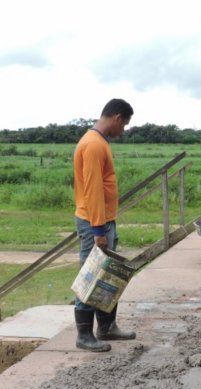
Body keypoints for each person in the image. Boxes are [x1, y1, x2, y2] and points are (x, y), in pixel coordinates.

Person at [73, 98, 136, 352]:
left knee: (106, 276)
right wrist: (98, 229)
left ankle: (107, 327)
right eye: (124, 126)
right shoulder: (93, 145)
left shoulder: (99, 142)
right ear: (117, 118)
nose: (122, 131)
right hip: (94, 223)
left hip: (104, 221)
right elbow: (93, 191)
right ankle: (84, 335)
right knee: (91, 275)